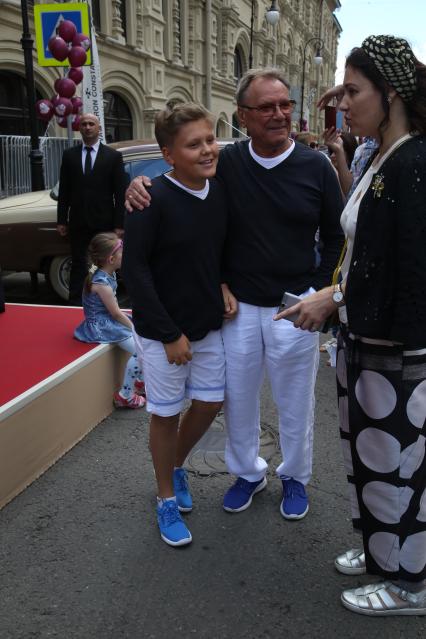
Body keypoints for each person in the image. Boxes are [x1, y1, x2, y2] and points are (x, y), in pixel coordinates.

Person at [125, 69, 344, 521]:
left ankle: (295, 476)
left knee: (295, 401)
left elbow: (336, 234)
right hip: (238, 307)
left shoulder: (315, 166)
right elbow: (183, 180)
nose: (279, 114)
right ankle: (247, 473)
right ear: (243, 116)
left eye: (284, 104)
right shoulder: (227, 162)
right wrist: (136, 185)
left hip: (294, 304)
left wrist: (317, 290)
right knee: (237, 400)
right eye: (266, 107)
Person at [276, 35, 426, 616]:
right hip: (365, 339)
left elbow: (406, 267)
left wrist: (335, 299)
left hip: (397, 349)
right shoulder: (380, 155)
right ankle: (383, 553)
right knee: (368, 457)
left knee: (399, 464)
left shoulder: (413, 161)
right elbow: (364, 249)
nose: (342, 103)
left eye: (353, 91)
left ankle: (409, 583)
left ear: (391, 94)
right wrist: (338, 299)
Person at [121, 103, 235, 547]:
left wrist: (222, 284)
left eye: (209, 140)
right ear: (168, 154)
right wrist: (169, 335)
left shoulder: (218, 191)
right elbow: (136, 272)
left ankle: (174, 465)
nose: (207, 150)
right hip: (162, 332)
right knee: (165, 415)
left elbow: (214, 251)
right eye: (194, 144)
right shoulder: (150, 200)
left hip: (207, 325)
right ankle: (165, 496)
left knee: (209, 403)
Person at [57, 113, 128, 305]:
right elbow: (64, 190)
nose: (87, 127)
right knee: (79, 264)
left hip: (104, 222)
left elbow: (120, 193)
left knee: (105, 264)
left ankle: (105, 303)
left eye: (91, 124)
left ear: (99, 128)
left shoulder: (113, 156)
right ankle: (75, 304)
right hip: (78, 222)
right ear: (79, 128)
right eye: (84, 124)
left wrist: (119, 224)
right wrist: (62, 220)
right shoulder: (70, 155)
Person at [74, 232, 145, 409]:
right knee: (141, 350)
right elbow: (115, 314)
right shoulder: (101, 284)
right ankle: (125, 395)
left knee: (144, 338)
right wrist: (134, 328)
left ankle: (140, 380)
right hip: (102, 326)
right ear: (111, 259)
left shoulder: (106, 274)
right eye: (122, 253)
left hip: (107, 319)